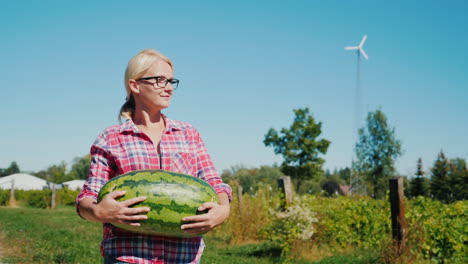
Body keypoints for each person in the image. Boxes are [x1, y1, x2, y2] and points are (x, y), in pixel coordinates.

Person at [76, 49, 232, 264]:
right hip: (127, 257)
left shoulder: (188, 134)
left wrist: (222, 210)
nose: (168, 88)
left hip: (183, 257)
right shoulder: (111, 138)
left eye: (171, 81)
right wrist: (98, 212)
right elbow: (87, 197)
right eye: (159, 80)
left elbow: (214, 183)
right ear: (135, 85)